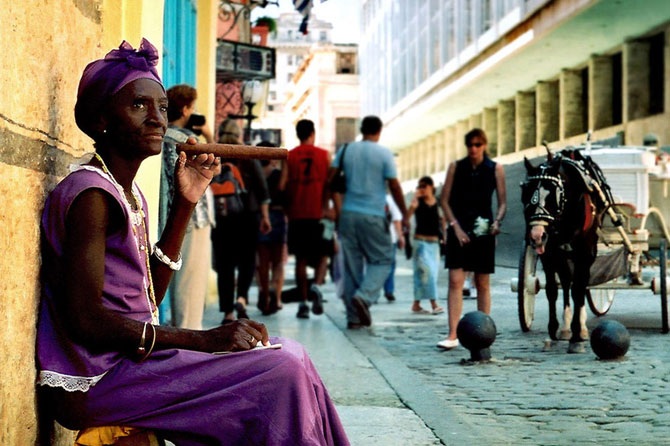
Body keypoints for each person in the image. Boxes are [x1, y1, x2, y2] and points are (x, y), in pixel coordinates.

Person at [36, 39, 349, 445]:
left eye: (163, 107)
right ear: (100, 120)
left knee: (291, 355)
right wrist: (203, 339)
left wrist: (184, 202)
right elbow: (85, 319)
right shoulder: (91, 196)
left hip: (131, 362)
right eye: (138, 105)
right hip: (97, 379)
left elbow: (149, 297)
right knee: (281, 371)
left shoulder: (127, 192)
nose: (157, 120)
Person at [329, 115, 408, 329]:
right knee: (383, 259)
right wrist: (404, 213)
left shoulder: (346, 150)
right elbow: (394, 186)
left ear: (361, 130)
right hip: (373, 215)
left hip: (348, 214)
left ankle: (353, 318)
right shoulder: (384, 153)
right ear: (379, 131)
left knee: (351, 267)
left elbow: (331, 178)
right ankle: (364, 296)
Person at [437, 128, 506, 350]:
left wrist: (497, 221)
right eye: (470, 145)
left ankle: (484, 333)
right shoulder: (456, 167)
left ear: (484, 145)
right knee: (455, 280)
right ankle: (452, 334)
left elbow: (503, 202)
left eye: (478, 144)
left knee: (482, 282)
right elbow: (444, 200)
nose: (473, 149)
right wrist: (455, 227)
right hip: (459, 226)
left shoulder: (495, 168)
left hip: (483, 227)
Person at [158, 84, 217, 330]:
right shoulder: (185, 140)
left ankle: (181, 332)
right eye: (192, 108)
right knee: (191, 285)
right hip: (194, 217)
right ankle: (189, 337)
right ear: (185, 110)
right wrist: (209, 135)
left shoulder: (162, 137)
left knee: (178, 282)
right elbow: (214, 167)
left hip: (172, 218)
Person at [210, 118, 271, 322]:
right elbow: (262, 191)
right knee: (247, 260)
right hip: (247, 216)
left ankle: (228, 312)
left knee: (225, 265)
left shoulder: (214, 153)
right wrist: (265, 217)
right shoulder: (247, 155)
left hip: (221, 217)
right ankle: (242, 299)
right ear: (239, 135)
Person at [280, 119, 331, 319]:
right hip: (318, 214)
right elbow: (330, 184)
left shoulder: (290, 156)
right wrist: (326, 206)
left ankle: (302, 303)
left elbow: (282, 186)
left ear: (298, 134)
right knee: (324, 254)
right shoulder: (324, 155)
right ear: (313, 134)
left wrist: (287, 207)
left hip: (297, 214)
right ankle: (316, 285)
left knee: (300, 260)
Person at [256, 140, 287, 315]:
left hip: (260, 217)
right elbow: (284, 189)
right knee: (278, 261)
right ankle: (276, 295)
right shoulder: (278, 174)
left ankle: (264, 292)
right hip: (278, 215)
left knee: (262, 261)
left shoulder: (256, 173)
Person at [407, 176, 444, 315]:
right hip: (420, 243)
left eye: (424, 186)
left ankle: (416, 304)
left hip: (434, 244)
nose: (422, 189)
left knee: (428, 274)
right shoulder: (417, 202)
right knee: (427, 273)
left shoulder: (438, 203)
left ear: (431, 187)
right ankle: (434, 304)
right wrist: (413, 203)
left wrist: (445, 237)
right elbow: (406, 217)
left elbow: (442, 220)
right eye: (419, 186)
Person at [382, 194, 405, 302]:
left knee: (372, 265)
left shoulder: (367, 196)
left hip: (372, 238)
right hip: (390, 238)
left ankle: (372, 292)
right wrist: (400, 237)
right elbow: (396, 220)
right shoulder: (390, 199)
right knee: (390, 265)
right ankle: (389, 290)